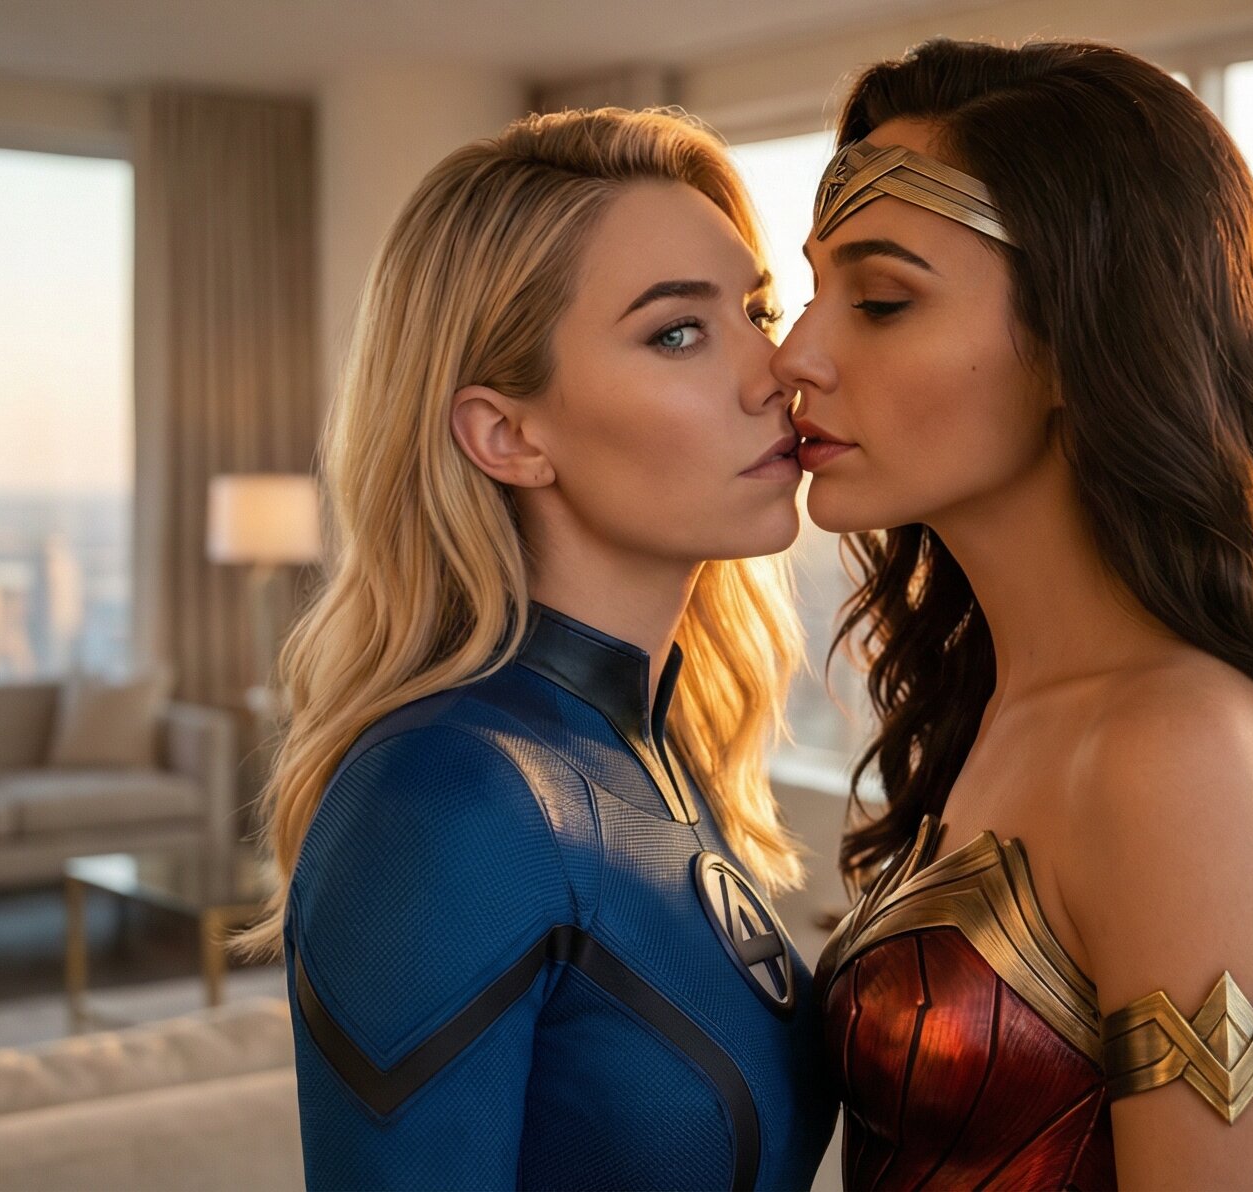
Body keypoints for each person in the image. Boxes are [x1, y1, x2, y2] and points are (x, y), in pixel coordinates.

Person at [772, 38, 1253, 1189]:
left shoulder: (1180, 753)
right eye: (810, 294)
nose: (795, 354)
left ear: (1078, 345)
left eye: (881, 301)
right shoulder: (1009, 706)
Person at [231, 106, 837, 1190]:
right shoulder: (445, 796)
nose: (776, 371)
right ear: (507, 435)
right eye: (677, 333)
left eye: (756, 311)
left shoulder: (652, 746)